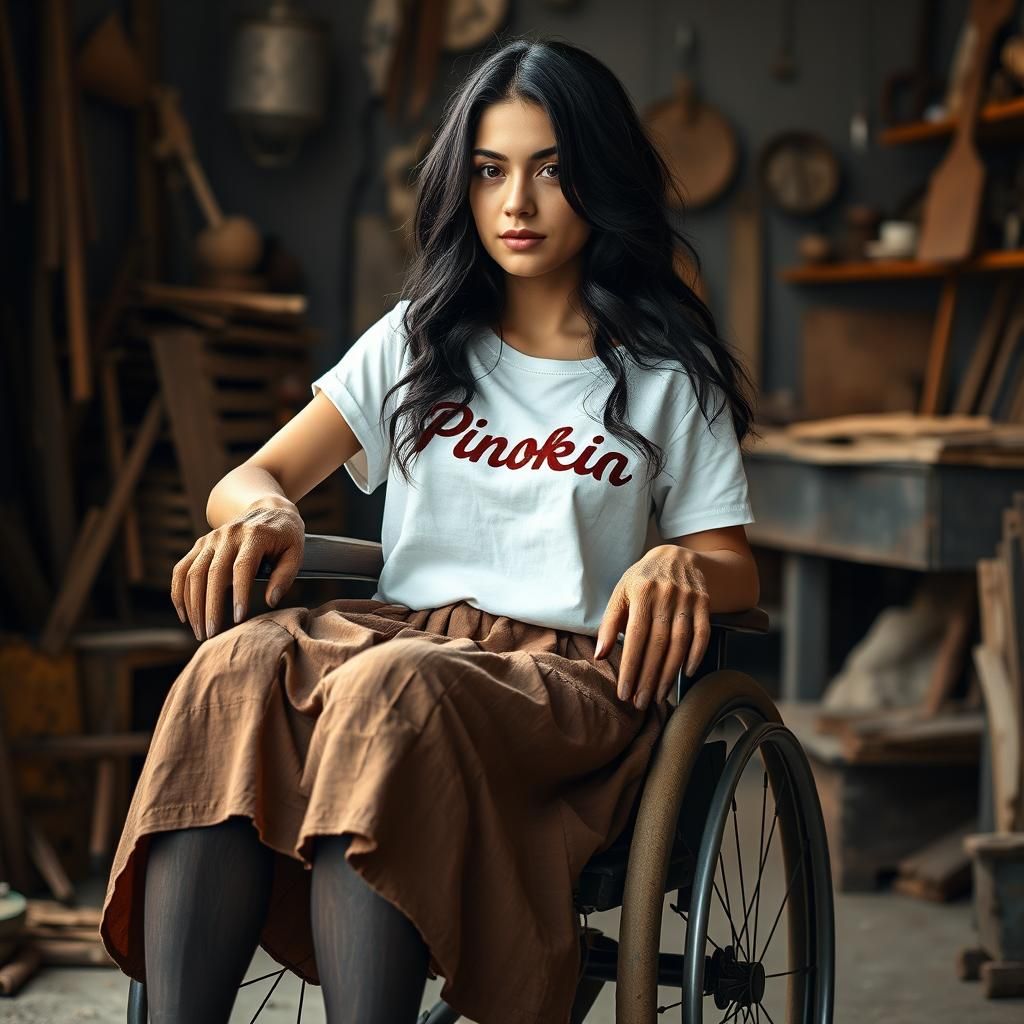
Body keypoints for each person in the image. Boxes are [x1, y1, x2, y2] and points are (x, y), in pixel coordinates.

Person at [100, 34, 759, 1024]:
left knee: (386, 691)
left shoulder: (668, 377)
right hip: (403, 639)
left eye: (549, 169)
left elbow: (730, 566)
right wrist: (267, 507)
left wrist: (677, 565)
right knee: (230, 669)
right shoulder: (417, 340)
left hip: (568, 678)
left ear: (599, 179)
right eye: (491, 171)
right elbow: (253, 476)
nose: (516, 204)